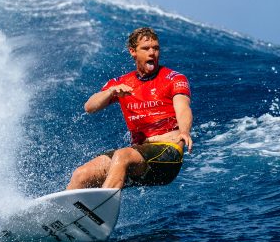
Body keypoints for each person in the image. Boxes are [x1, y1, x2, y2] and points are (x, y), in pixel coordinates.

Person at [67, 27, 193, 190]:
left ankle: (104, 206)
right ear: (133, 51)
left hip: (168, 154)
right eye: (146, 48)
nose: (152, 53)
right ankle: (63, 214)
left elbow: (183, 108)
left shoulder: (173, 78)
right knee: (81, 174)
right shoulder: (122, 83)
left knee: (122, 155)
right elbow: (89, 107)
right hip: (139, 156)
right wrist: (111, 91)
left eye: (155, 48)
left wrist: (184, 131)